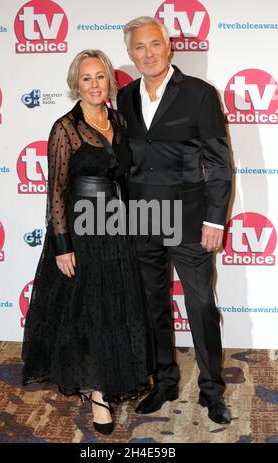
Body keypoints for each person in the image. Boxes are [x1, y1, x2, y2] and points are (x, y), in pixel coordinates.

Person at [22, 49, 155, 436]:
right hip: (82, 231)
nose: (94, 84)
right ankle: (98, 396)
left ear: (109, 82)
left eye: (100, 77)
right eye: (86, 78)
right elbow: (56, 191)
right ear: (75, 84)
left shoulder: (117, 120)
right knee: (92, 313)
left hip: (117, 227)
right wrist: (63, 244)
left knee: (117, 308)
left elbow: (125, 177)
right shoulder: (65, 128)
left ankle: (112, 380)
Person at [117, 17, 232, 425]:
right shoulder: (125, 96)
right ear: (130, 54)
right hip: (141, 218)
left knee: (200, 304)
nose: (147, 54)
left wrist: (216, 221)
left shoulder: (200, 94)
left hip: (189, 219)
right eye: (138, 48)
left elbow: (218, 163)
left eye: (154, 45)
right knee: (153, 305)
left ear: (169, 48)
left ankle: (212, 390)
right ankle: (164, 382)